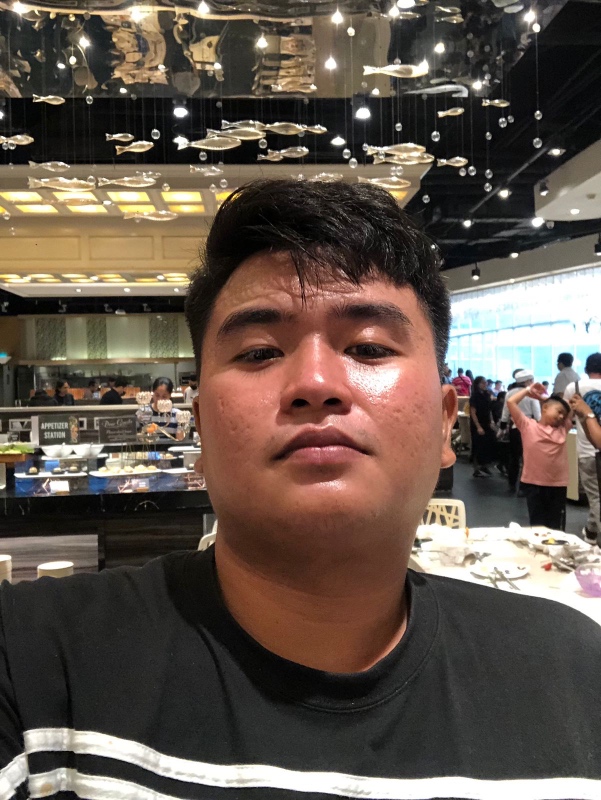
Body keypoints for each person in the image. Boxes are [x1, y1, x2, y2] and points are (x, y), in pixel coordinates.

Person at [0, 180, 600, 798]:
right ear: (201, 427)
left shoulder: (574, 672)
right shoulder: (34, 660)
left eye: (369, 347)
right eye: (260, 352)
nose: (314, 383)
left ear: (446, 421)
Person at [507, 383, 573, 529]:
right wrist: (528, 390)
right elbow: (511, 402)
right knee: (537, 525)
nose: (561, 416)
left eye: (563, 415)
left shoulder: (562, 429)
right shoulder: (528, 426)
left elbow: (569, 405)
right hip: (534, 485)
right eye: (559, 412)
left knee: (555, 525)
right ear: (545, 408)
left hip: (557, 485)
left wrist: (544, 398)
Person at [564, 353, 601, 544]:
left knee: (595, 497)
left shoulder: (574, 388)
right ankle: (591, 532)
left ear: (586, 369)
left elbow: (566, 417)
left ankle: (594, 534)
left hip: (586, 449)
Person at [500, 369, 541, 493]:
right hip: (529, 429)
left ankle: (512, 484)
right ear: (528, 381)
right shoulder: (532, 394)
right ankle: (524, 486)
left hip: (514, 429)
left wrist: (502, 427)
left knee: (514, 457)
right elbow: (538, 415)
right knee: (527, 459)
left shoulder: (510, 393)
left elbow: (505, 413)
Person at [469, 376, 497, 477]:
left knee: (488, 444)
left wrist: (492, 421)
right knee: (477, 445)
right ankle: (476, 469)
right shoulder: (474, 396)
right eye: (483, 383)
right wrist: (478, 426)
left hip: (487, 422)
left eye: (486, 382)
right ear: (478, 384)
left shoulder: (487, 394)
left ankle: (484, 465)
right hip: (477, 423)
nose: (485, 384)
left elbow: (489, 410)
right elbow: (473, 412)